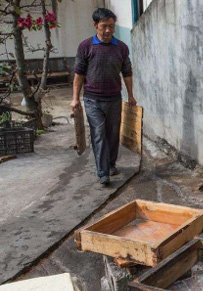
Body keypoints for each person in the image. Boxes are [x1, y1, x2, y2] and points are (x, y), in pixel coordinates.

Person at [70, 8, 136, 186]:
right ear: (95, 25)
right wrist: (75, 98)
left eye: (111, 26)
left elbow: (127, 73)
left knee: (113, 134)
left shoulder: (121, 48)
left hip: (114, 99)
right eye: (104, 26)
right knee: (98, 134)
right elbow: (79, 74)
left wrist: (131, 95)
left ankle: (111, 164)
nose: (108, 30)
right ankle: (103, 172)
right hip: (92, 100)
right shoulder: (86, 46)